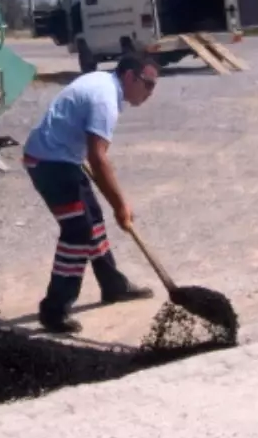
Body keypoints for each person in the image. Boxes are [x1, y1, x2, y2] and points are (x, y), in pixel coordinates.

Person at [21, 52, 160, 333]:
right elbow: (98, 159)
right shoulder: (104, 99)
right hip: (49, 163)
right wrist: (121, 205)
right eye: (148, 85)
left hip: (63, 157)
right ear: (130, 77)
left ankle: (113, 285)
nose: (150, 93)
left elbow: (93, 152)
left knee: (93, 219)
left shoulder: (104, 83)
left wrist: (113, 202)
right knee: (78, 231)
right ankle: (54, 310)